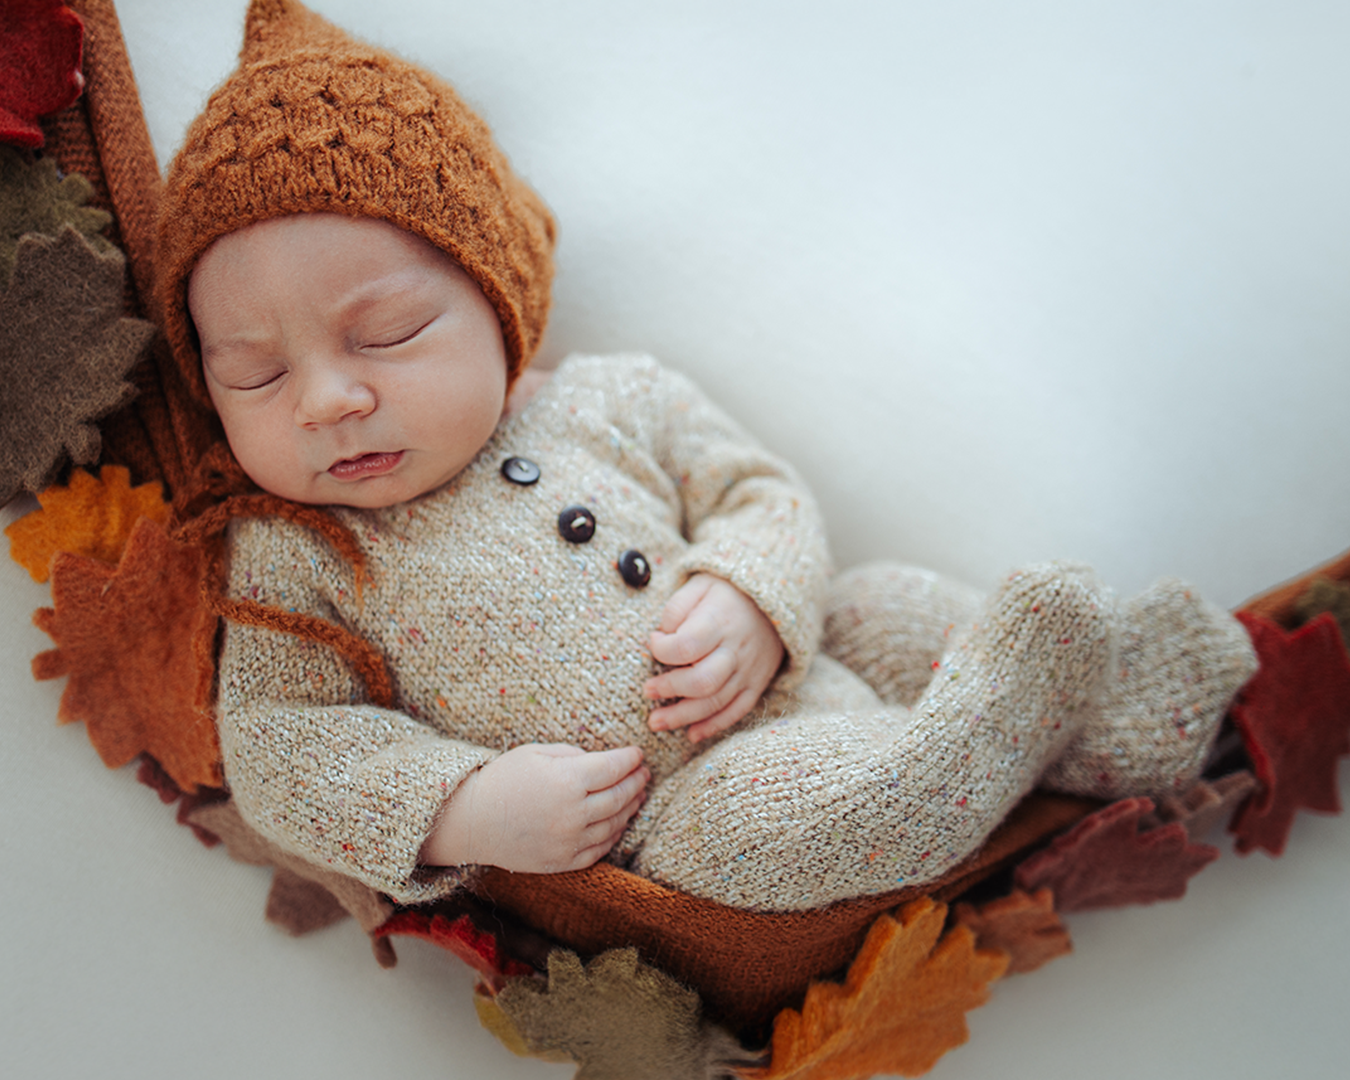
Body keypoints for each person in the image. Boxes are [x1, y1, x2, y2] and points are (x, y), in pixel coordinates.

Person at [156, 0, 1258, 912]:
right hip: (691, 798)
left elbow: (760, 493)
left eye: (387, 334)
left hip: (811, 659)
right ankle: (982, 737)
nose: (329, 400)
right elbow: (283, 744)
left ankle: (1125, 708)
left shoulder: (612, 395)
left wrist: (752, 596)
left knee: (890, 603)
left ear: (499, 305)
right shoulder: (295, 547)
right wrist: (464, 805)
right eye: (253, 374)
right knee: (775, 827)